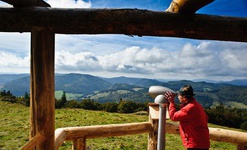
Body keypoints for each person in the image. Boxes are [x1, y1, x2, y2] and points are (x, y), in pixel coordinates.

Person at [164, 85, 210, 150]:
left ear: (184, 97)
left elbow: (173, 116)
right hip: (202, 143)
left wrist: (171, 102)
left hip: (196, 145)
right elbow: (206, 118)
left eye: (179, 95)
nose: (178, 97)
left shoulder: (189, 108)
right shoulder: (196, 105)